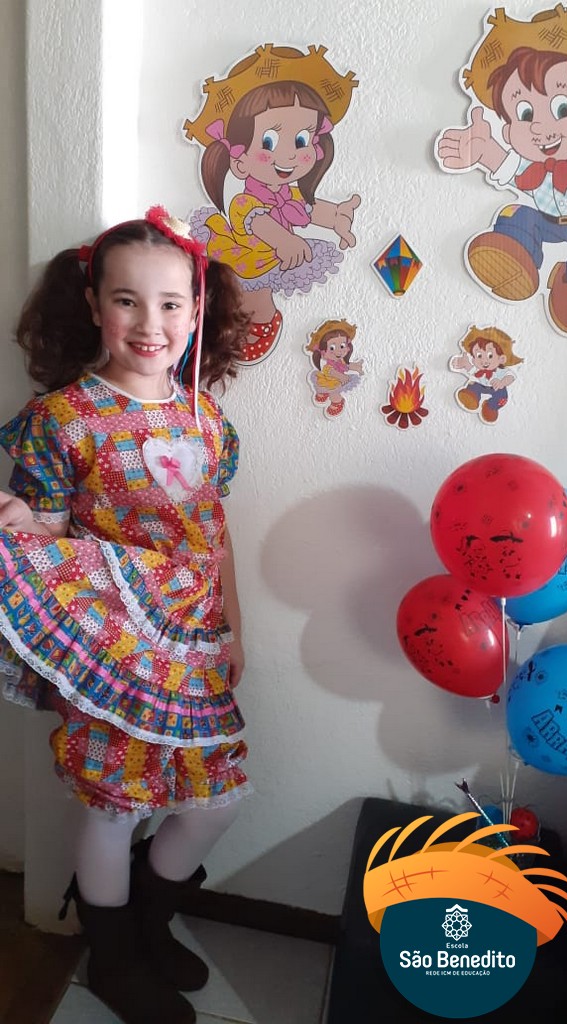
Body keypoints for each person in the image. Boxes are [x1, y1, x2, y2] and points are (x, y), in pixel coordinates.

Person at [0, 205, 251, 1024]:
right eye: (127, 300)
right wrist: (22, 524)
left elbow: (215, 533)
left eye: (170, 302)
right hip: (110, 650)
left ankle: (146, 925)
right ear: (93, 304)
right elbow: (47, 535)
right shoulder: (63, 419)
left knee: (216, 799)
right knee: (116, 805)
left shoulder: (207, 421)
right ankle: (112, 959)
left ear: (197, 309)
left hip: (195, 642)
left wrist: (233, 627)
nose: (150, 324)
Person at [185, 44, 361, 363]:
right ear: (240, 161)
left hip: (268, 259)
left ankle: (249, 324)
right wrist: (283, 240)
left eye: (302, 140)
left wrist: (336, 217)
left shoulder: (288, 195)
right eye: (269, 141)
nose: (289, 154)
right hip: (244, 256)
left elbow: (308, 210)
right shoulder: (243, 201)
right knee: (250, 295)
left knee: (260, 297)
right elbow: (258, 221)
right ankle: (233, 326)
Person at [436, 6, 567, 334]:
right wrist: (482, 151)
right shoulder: (533, 168)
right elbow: (508, 165)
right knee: (515, 215)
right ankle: (516, 258)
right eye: (525, 113)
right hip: (548, 222)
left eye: (562, 107)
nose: (540, 127)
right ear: (508, 128)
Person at [305, 319, 364, 417]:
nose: (339, 351)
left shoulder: (341, 362)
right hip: (331, 381)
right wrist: (341, 377)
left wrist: (356, 367)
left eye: (342, 346)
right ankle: (334, 400)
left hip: (336, 382)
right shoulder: (329, 366)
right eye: (332, 348)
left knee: (332, 391)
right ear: (323, 352)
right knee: (329, 390)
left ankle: (334, 400)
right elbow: (331, 372)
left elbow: (347, 366)